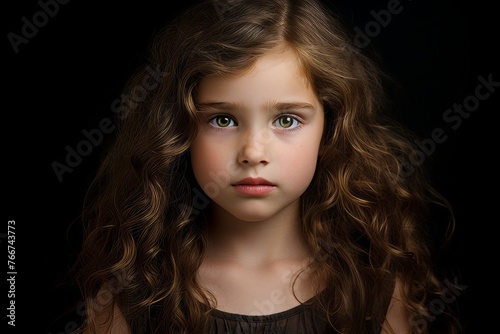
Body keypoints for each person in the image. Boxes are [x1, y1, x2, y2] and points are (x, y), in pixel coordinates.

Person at [71, 0, 463, 333]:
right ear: (178, 129)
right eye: (223, 119)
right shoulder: (136, 291)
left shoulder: (373, 287)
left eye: (287, 120)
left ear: (331, 126)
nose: (253, 152)